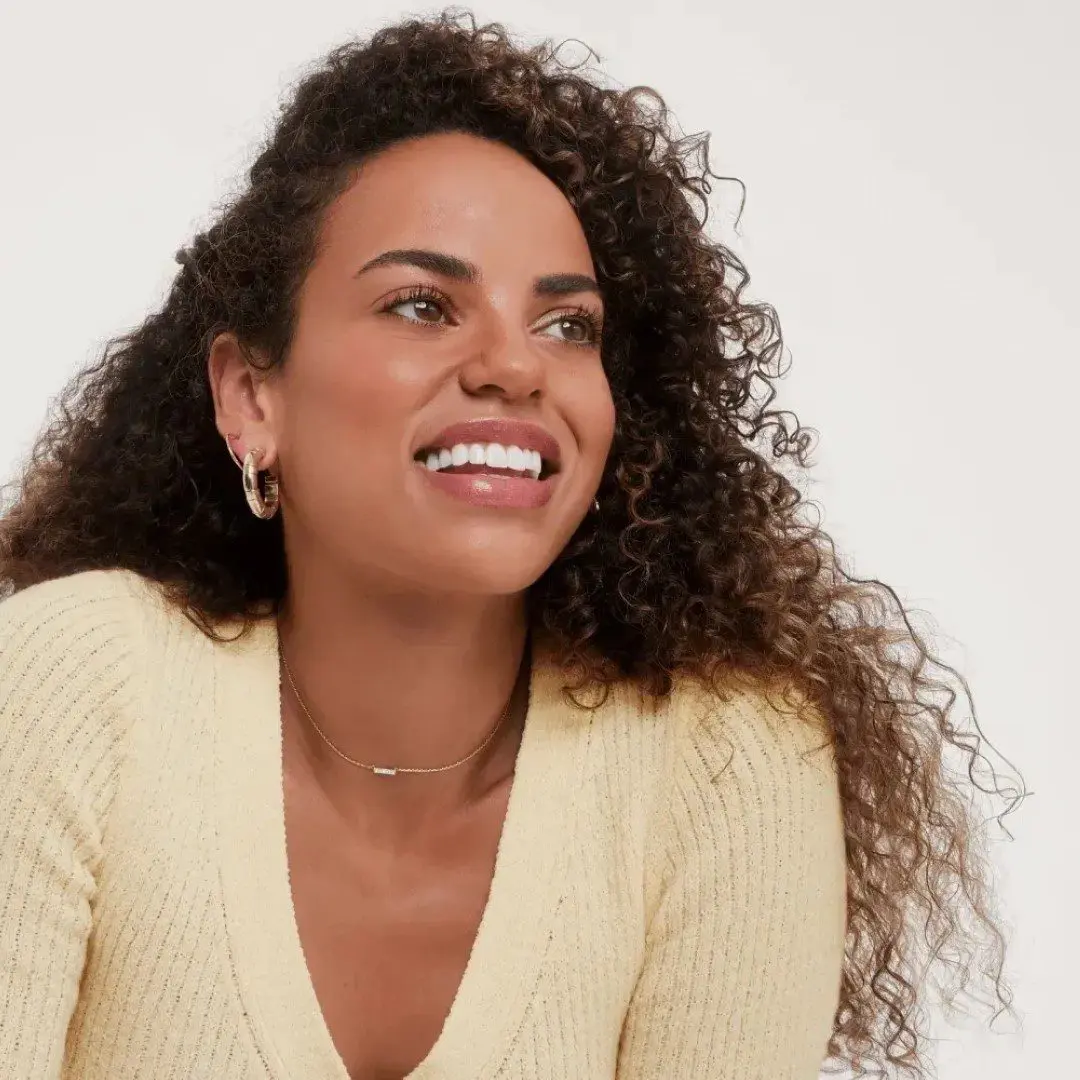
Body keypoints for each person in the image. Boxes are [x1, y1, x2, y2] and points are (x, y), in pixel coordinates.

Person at [0, 10, 1023, 1080]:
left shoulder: (722, 760)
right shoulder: (72, 688)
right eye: (421, 304)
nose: (514, 367)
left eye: (568, 326)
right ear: (252, 398)